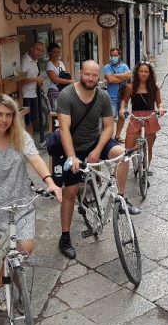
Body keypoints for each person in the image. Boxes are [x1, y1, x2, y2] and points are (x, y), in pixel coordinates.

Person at [57, 60, 139, 260]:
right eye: (87, 74)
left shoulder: (101, 96)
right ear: (80, 73)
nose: (91, 79)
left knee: (123, 154)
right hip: (73, 148)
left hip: (96, 142)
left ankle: (120, 198)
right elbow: (64, 130)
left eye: (94, 75)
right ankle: (65, 237)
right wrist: (72, 157)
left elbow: (109, 127)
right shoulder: (66, 95)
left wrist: (97, 150)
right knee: (71, 191)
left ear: (98, 76)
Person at [0, 94, 62, 311]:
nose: (4, 120)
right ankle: (0, 284)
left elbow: (35, 159)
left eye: (9, 115)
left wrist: (50, 181)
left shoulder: (20, 137)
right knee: (3, 253)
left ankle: (5, 280)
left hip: (20, 204)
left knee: (24, 247)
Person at [119, 62, 166, 170]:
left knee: (149, 147)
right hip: (135, 117)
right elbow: (125, 101)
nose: (143, 74)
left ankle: (146, 169)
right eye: (141, 71)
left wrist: (161, 108)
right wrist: (122, 109)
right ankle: (136, 158)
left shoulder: (154, 88)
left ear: (149, 73)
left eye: (146, 71)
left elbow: (159, 102)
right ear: (137, 72)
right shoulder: (130, 87)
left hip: (150, 117)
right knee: (128, 146)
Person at [103, 48, 131, 143]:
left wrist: (114, 76)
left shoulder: (124, 66)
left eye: (115, 55)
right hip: (112, 96)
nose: (113, 57)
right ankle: (108, 137)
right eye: (112, 56)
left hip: (123, 96)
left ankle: (118, 136)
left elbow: (129, 76)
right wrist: (122, 77)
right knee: (111, 117)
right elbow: (110, 80)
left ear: (119, 56)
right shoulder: (107, 67)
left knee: (122, 116)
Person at [21, 42, 44, 135]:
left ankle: (32, 143)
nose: (39, 53)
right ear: (31, 49)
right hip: (26, 95)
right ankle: (29, 145)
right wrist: (36, 79)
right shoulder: (25, 60)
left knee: (33, 120)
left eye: (42, 51)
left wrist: (40, 81)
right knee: (27, 121)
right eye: (37, 49)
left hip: (33, 94)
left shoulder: (35, 60)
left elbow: (35, 76)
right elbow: (21, 79)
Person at [46, 43, 73, 110]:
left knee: (64, 110)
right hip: (54, 90)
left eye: (58, 52)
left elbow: (64, 75)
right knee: (56, 111)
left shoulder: (61, 63)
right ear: (49, 53)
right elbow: (54, 79)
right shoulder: (49, 64)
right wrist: (69, 81)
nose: (57, 54)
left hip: (63, 89)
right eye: (54, 52)